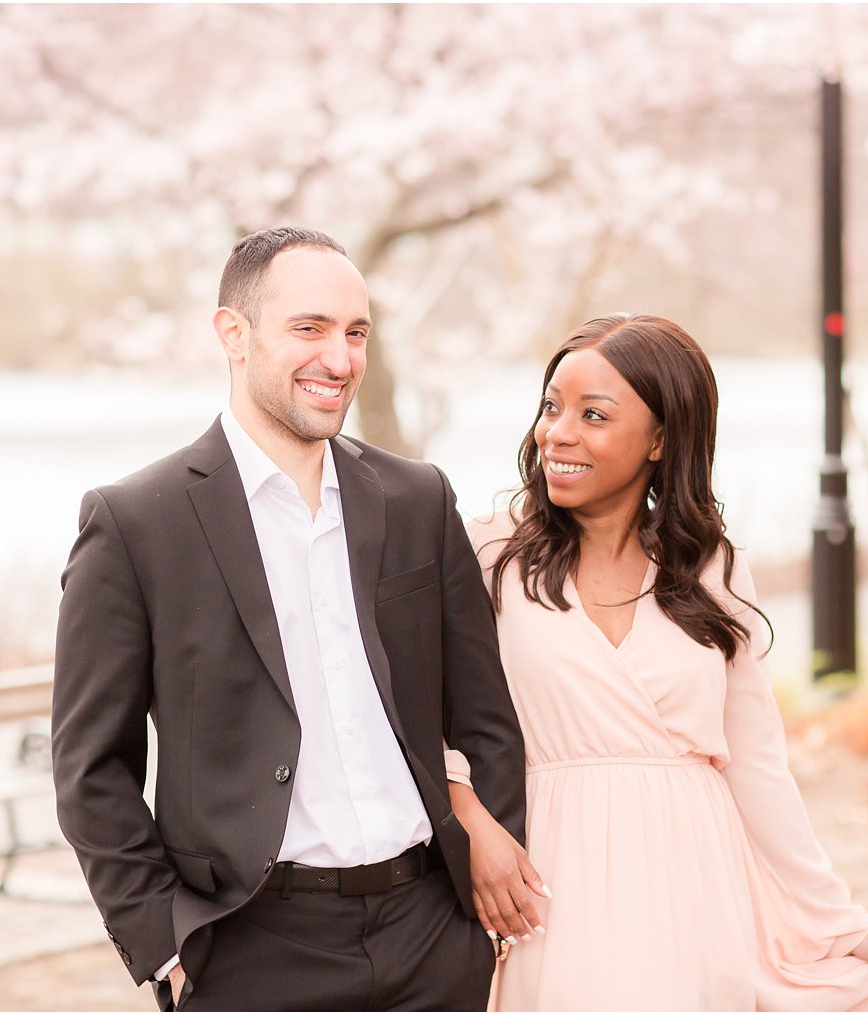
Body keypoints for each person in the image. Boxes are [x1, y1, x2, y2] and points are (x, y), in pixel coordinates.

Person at [52, 227, 526, 1011]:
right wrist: (163, 940)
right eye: (308, 328)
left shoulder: (417, 499)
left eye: (355, 333)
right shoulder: (137, 522)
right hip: (251, 953)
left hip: (433, 937)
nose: (338, 360)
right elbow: (90, 766)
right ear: (232, 334)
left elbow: (485, 713)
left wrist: (479, 888)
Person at [444, 314, 868, 1011]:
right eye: (551, 406)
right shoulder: (491, 553)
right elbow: (420, 712)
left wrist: (839, 922)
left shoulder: (712, 569)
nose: (558, 433)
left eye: (592, 414)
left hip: (695, 873)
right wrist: (473, 823)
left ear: (662, 438)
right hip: (550, 872)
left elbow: (756, 764)